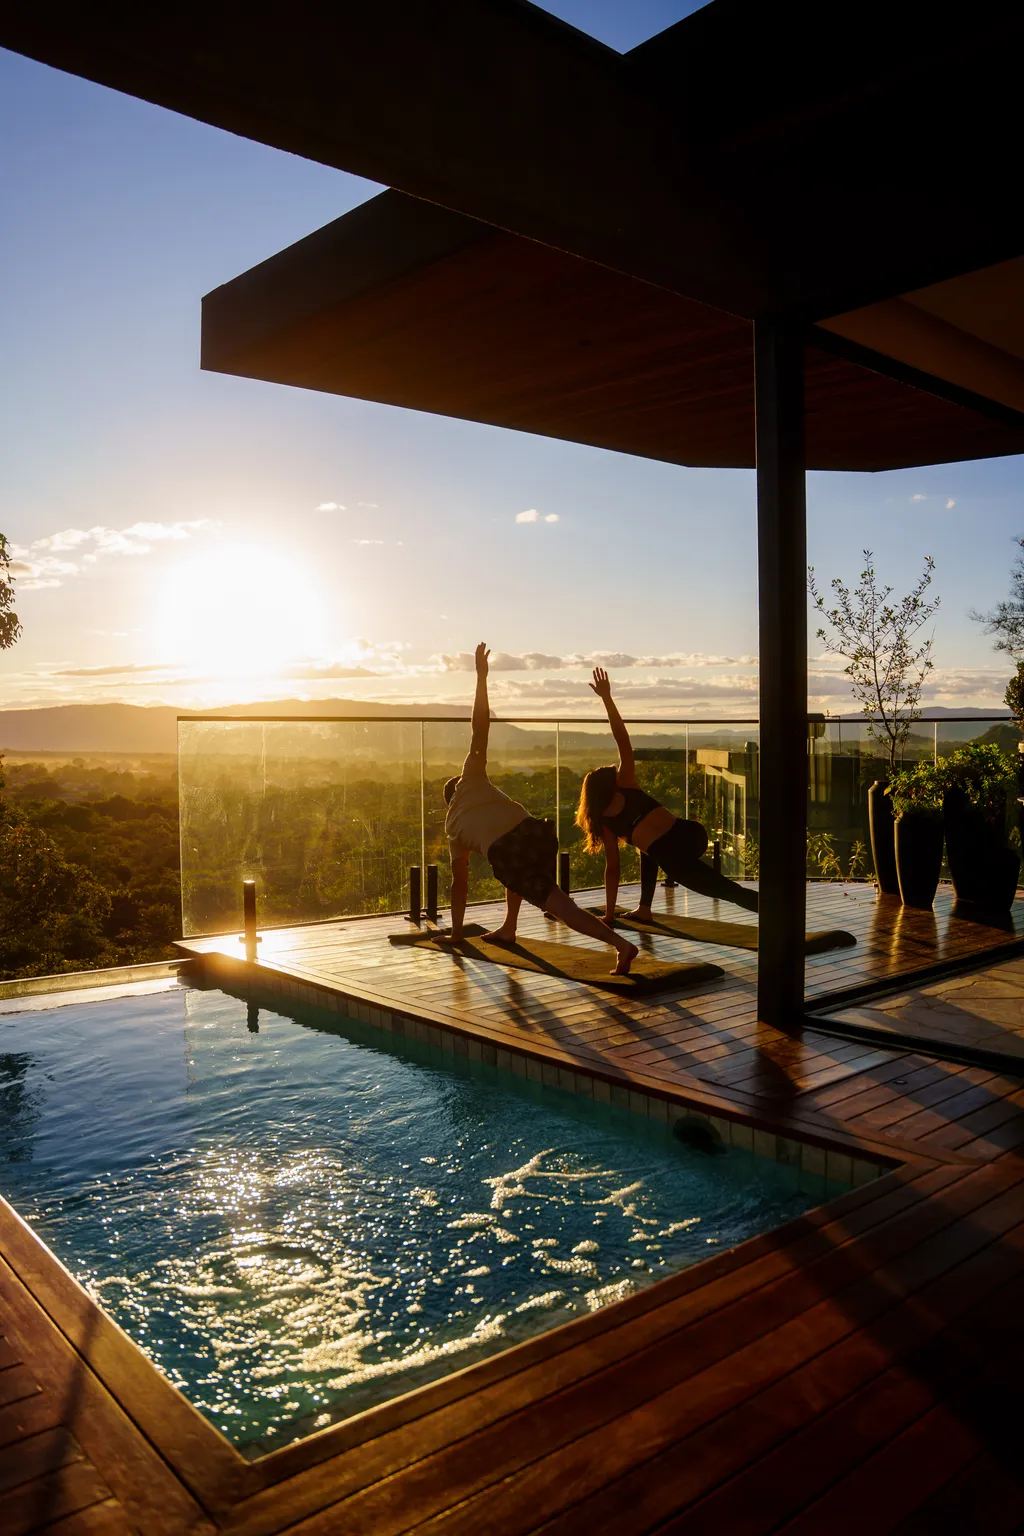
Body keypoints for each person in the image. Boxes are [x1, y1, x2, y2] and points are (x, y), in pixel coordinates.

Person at [442, 644, 639, 975]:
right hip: (537, 831)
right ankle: (508, 927)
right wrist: (481, 676)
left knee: (560, 904)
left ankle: (622, 946)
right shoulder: (473, 779)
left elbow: (458, 885)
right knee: (520, 877)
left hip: (509, 851)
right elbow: (480, 727)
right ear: (459, 782)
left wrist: (457, 932)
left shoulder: (453, 828)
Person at [576, 667, 759, 925]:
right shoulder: (627, 785)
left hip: (676, 856)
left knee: (727, 891)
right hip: (692, 834)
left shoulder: (607, 819)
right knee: (648, 848)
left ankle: (780, 916)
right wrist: (606, 698)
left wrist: (608, 914)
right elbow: (622, 739)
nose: (617, 772)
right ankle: (644, 908)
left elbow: (613, 869)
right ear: (609, 786)